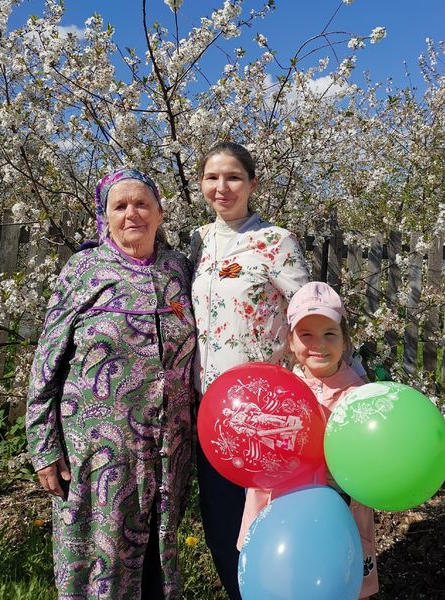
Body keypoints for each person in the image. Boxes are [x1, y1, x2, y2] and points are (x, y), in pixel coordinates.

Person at [26, 168, 196, 600]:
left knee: (158, 562)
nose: (131, 214)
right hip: (98, 453)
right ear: (105, 217)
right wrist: (43, 446)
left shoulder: (178, 268)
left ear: (160, 212)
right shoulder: (84, 268)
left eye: (141, 204)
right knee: (98, 562)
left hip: (167, 452)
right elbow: (47, 359)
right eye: (120, 206)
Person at [190, 142, 310, 599]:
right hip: (211, 414)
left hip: (265, 415)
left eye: (233, 177)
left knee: (268, 528)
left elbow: (308, 314)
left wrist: (343, 380)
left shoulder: (276, 241)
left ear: (252, 184)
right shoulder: (198, 241)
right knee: (222, 530)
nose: (222, 187)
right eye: (212, 177)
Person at [237, 281, 379, 599]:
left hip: (337, 519)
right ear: (290, 341)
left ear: (344, 340)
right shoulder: (275, 391)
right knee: (279, 579)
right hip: (278, 516)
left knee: (341, 581)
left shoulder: (361, 398)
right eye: (306, 335)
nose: (319, 345)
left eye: (329, 334)